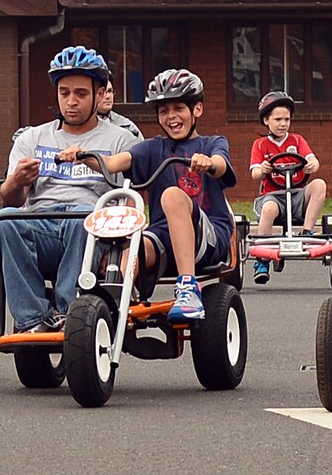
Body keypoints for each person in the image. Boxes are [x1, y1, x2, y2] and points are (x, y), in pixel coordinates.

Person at [57, 68, 236, 321]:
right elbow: (112, 163)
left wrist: (209, 163)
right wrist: (84, 155)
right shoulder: (153, 148)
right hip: (163, 236)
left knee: (172, 196)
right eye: (164, 111)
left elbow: (221, 165)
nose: (171, 117)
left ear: (197, 110)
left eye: (178, 109)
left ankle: (188, 289)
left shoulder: (213, 143)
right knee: (132, 243)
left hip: (207, 236)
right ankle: (115, 303)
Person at [0, 46, 140, 334]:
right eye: (64, 93)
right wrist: (17, 181)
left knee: (83, 218)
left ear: (99, 94)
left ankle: (68, 312)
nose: (71, 102)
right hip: (41, 223)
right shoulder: (32, 138)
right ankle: (33, 319)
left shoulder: (122, 139)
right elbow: (12, 198)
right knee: (6, 219)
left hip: (92, 229)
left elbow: (130, 196)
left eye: (81, 94)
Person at [246, 90, 329, 282]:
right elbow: (254, 173)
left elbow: (313, 161)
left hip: (297, 195)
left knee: (319, 184)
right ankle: (263, 258)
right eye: (278, 119)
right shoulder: (260, 145)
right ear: (266, 120)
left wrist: (311, 164)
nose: (283, 124)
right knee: (268, 209)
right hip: (272, 196)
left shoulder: (297, 141)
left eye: (287, 119)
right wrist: (264, 169)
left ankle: (307, 232)